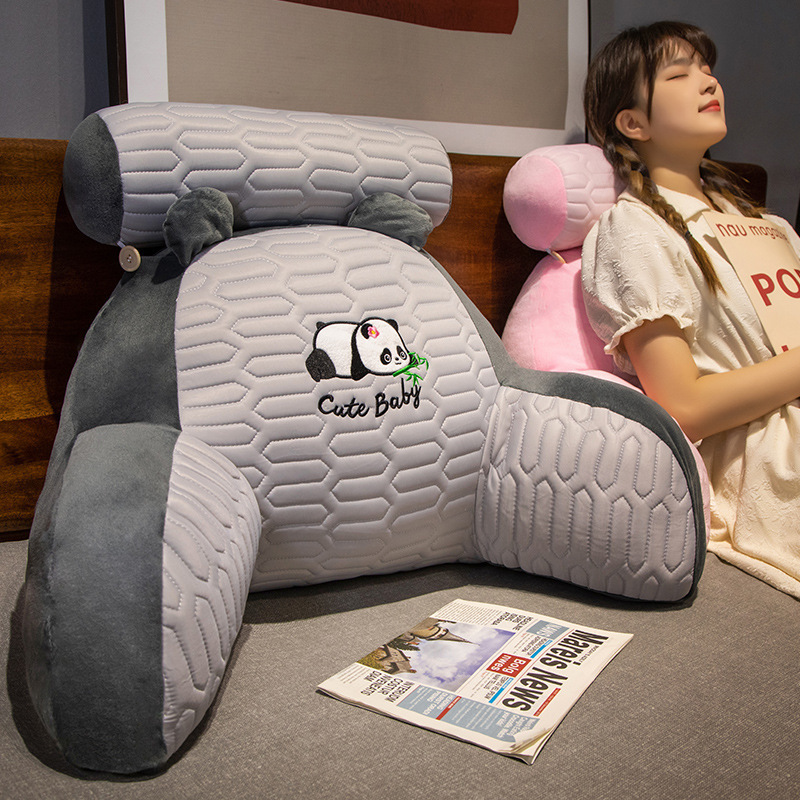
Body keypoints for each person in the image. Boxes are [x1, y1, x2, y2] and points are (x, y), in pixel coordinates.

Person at [580, 20, 800, 598]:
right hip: (767, 451)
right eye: (680, 74)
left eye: (707, 69)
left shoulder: (768, 225)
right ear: (634, 123)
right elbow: (683, 405)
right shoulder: (634, 230)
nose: (709, 81)